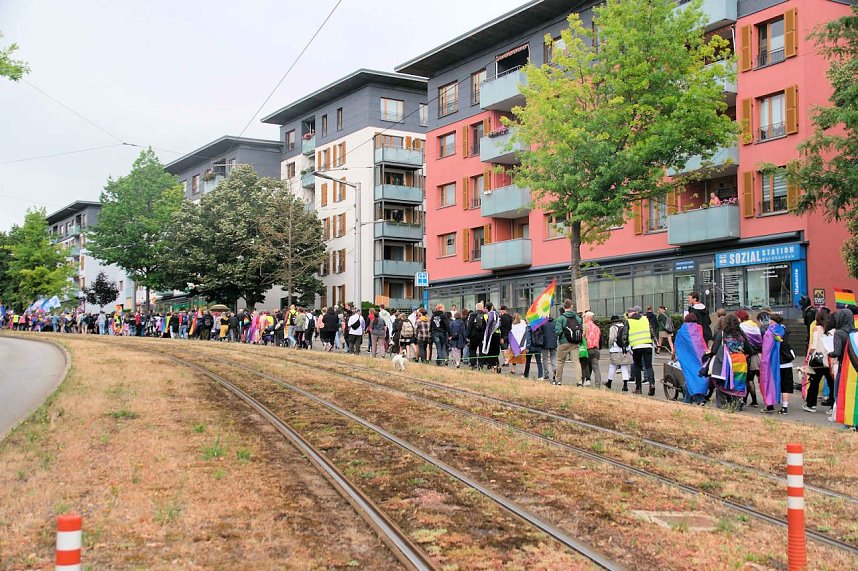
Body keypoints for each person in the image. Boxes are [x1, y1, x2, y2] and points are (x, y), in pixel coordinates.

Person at [708, 314, 752, 409]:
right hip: (740, 361)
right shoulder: (741, 334)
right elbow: (750, 350)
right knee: (739, 383)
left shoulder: (722, 333)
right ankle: (737, 405)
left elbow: (714, 350)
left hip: (726, 361)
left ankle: (723, 404)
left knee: (722, 382)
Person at [759, 314, 795, 414]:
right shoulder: (784, 330)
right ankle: (784, 408)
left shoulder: (769, 332)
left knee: (770, 383)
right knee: (786, 386)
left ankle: (769, 405)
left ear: (771, 321)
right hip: (787, 362)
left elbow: (766, 349)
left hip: (773, 364)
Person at [803, 308, 834, 412]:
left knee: (814, 382)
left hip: (818, 360)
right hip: (829, 359)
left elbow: (814, 345)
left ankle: (811, 405)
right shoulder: (831, 329)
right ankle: (833, 406)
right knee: (831, 383)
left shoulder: (817, 329)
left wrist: (809, 356)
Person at [674, 313, 709, 405]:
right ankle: (691, 399)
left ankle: (694, 399)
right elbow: (701, 341)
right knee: (697, 377)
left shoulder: (681, 331)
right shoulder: (699, 328)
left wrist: (675, 354)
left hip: (687, 357)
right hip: (700, 355)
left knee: (689, 377)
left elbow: (678, 345)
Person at [626, 306, 656, 395]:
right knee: (648, 366)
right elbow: (652, 331)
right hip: (647, 345)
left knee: (637, 367)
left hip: (636, 346)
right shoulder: (645, 319)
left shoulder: (629, 321)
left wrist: (624, 347)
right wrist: (655, 341)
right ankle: (652, 384)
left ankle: (638, 388)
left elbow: (624, 335)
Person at [554, 299, 583, 386]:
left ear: (564, 307)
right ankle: (579, 382)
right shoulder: (577, 318)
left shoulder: (561, 318)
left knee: (560, 361)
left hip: (564, 343)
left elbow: (558, 331)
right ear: (572, 306)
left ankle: (558, 380)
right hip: (575, 343)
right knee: (576, 362)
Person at [736, 310, 762, 408]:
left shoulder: (742, 327)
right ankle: (750, 400)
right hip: (758, 354)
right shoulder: (754, 325)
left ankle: (751, 400)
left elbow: (743, 341)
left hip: (748, 355)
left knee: (748, 379)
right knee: (752, 378)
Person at [606, 315, 632, 390]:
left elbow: (611, 338)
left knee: (613, 366)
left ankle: (609, 383)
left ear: (612, 322)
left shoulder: (613, 328)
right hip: (625, 349)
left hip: (615, 349)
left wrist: (609, 346)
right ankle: (625, 385)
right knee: (624, 366)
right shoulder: (625, 327)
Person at [580, 312, 602, 388]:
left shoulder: (584, 327)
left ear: (587, 318)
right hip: (596, 349)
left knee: (583, 365)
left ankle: (583, 381)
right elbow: (600, 340)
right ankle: (598, 384)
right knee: (596, 367)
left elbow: (582, 338)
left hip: (587, 349)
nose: (583, 319)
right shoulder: (597, 328)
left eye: (584, 317)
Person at [481, 302, 502, 372]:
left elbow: (484, 326)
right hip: (497, 334)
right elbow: (499, 325)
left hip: (489, 335)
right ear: (492, 307)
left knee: (490, 351)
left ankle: (491, 366)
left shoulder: (485, 316)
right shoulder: (497, 315)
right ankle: (497, 365)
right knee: (496, 351)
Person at [466, 303, 486, 369]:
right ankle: (481, 364)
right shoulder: (485, 315)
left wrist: (468, 336)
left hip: (473, 335)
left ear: (476, 307)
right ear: (482, 308)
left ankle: (473, 364)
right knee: (481, 350)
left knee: (472, 349)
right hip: (482, 336)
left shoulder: (472, 315)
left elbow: (469, 326)